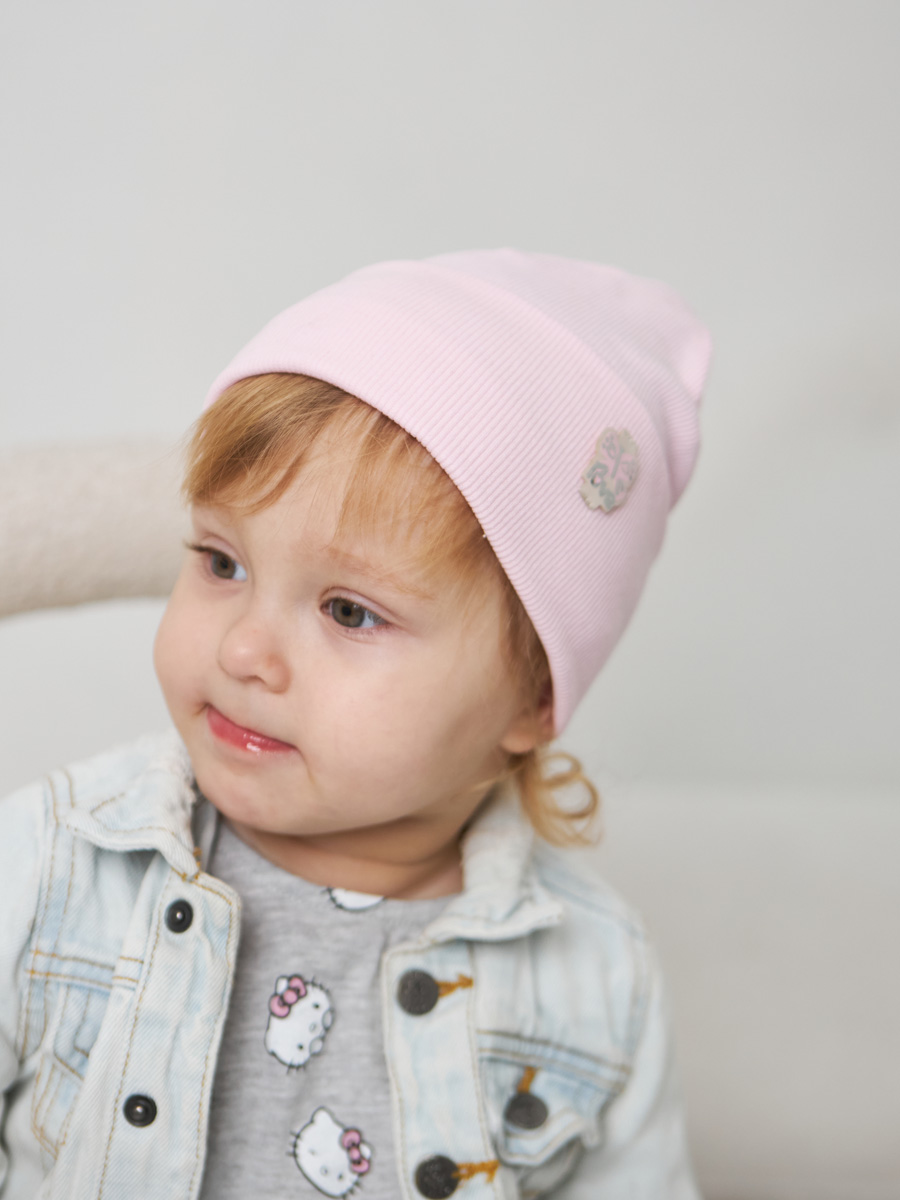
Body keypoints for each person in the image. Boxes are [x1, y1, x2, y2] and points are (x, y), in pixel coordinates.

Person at [0, 249, 711, 1200]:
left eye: (349, 612)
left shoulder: (593, 977)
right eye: (221, 562)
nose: (244, 650)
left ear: (532, 696)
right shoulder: (49, 867)